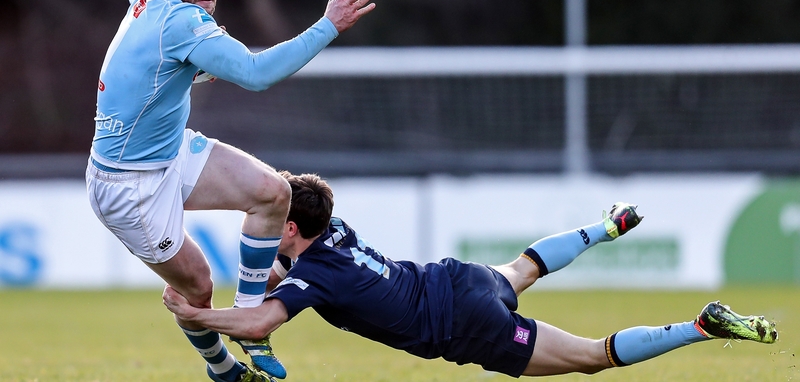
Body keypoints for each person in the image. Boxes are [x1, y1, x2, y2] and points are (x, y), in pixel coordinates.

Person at [85, 0, 376, 380]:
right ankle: (223, 369)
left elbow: (146, 46)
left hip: (168, 149)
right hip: (128, 183)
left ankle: (250, 323)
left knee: (272, 192)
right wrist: (329, 25)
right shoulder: (183, 23)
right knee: (197, 288)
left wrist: (191, 69)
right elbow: (256, 75)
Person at [163, 172, 779, 378]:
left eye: (276, 224)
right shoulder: (331, 229)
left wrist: (197, 315)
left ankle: (701, 326)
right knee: (526, 265)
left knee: (594, 358)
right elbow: (283, 270)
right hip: (459, 281)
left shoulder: (313, 277)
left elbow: (261, 318)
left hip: (464, 324)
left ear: (291, 230)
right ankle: (608, 228)